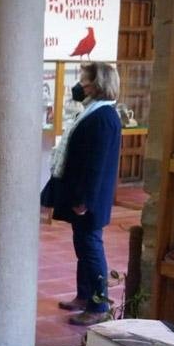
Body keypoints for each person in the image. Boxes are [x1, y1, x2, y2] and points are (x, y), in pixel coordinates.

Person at [41, 62, 122, 326]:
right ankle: (85, 294)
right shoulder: (92, 112)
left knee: (91, 248)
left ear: (98, 85)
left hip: (90, 197)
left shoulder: (103, 117)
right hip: (84, 193)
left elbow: (95, 163)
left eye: (85, 80)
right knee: (82, 245)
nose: (80, 85)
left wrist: (84, 199)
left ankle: (98, 304)